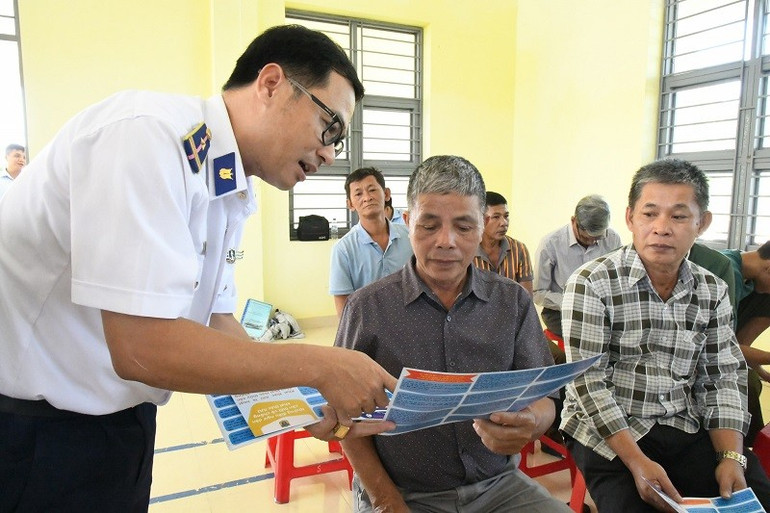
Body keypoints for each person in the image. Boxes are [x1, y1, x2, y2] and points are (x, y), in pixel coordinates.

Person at [0, 25, 397, 512]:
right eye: (329, 126)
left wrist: (304, 398)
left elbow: (215, 319)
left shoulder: (227, 183)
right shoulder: (147, 136)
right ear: (271, 84)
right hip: (35, 431)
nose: (331, 153)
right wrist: (322, 365)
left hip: (120, 421)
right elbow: (142, 348)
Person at [336, 155, 570, 513]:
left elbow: (546, 396)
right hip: (402, 492)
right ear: (407, 221)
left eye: (464, 226)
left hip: (499, 486)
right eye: (429, 225)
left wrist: (533, 423)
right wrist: (385, 501)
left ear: (482, 227)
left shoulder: (511, 302)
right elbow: (344, 421)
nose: (446, 241)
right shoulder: (367, 309)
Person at [560, 158, 770, 512]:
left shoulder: (712, 290)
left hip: (682, 423)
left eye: (678, 216)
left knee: (756, 497)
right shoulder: (591, 283)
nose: (661, 228)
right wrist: (637, 462)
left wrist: (732, 456)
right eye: (649, 214)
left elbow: (722, 376)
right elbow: (588, 383)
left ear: (702, 223)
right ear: (630, 219)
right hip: (606, 431)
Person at [533, 194, 622, 339]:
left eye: (598, 238)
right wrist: (573, 302)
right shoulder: (551, 244)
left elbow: (618, 281)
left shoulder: (612, 239)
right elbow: (538, 293)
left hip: (602, 310)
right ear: (574, 221)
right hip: (562, 312)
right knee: (586, 336)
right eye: (587, 238)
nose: (593, 242)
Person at [329, 167, 413, 317]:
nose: (367, 198)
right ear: (350, 204)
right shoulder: (343, 249)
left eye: (372, 190)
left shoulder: (410, 236)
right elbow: (343, 303)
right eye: (358, 194)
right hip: (368, 328)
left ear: (386, 194)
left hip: (410, 322)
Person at [721, 241, 770, 445]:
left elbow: (740, 345)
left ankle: (751, 447)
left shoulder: (750, 284)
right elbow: (722, 344)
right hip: (693, 352)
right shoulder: (724, 269)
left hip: (723, 351)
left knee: (751, 379)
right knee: (747, 383)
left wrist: (764, 372)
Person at [473, 190, 533, 295]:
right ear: (481, 219)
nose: (503, 223)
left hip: (512, 310)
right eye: (496, 217)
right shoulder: (467, 250)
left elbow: (526, 298)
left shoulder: (519, 249)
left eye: (506, 216)